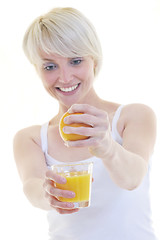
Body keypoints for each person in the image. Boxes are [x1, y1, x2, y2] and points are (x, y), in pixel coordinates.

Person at [13, 7, 158, 240]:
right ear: (37, 71)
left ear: (94, 60)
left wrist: (107, 146)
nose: (65, 77)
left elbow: (132, 179)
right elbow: (32, 187)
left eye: (75, 61)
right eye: (50, 66)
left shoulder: (133, 117)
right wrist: (47, 194)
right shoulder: (30, 138)